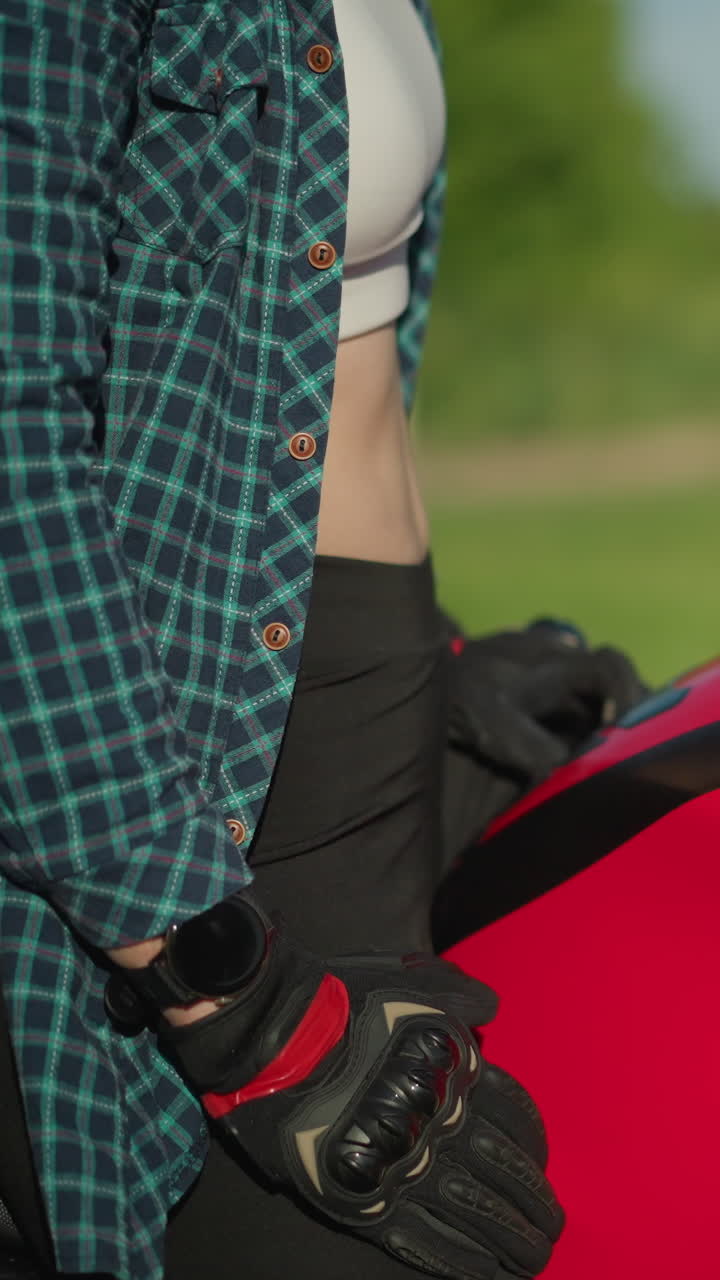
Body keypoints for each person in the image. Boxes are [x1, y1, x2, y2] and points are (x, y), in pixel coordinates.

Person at [0, 3, 644, 1278]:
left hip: (353, 741)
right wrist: (233, 998)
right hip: (169, 823)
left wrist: (432, 679)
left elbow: (296, 375)